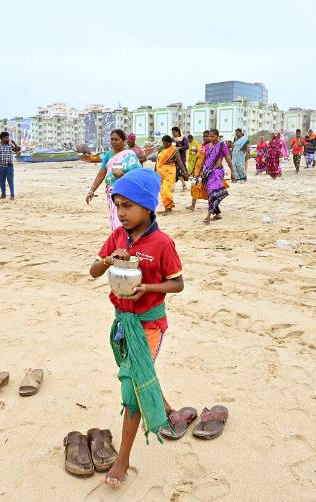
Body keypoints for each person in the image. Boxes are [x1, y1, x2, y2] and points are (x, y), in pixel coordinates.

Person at [89, 168, 184, 486]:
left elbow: (178, 284)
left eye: (128, 205)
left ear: (147, 206)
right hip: (122, 323)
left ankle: (123, 461)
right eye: (117, 205)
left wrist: (148, 289)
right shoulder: (117, 236)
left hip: (150, 324)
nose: (122, 212)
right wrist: (107, 260)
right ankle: (168, 408)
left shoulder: (161, 243)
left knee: (132, 389)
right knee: (138, 372)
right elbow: (92, 272)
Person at [86, 129, 143, 230]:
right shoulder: (108, 155)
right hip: (113, 193)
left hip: (127, 192)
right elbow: (101, 174)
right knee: (115, 218)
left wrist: (123, 176)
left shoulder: (130, 155)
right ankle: (119, 239)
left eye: (116, 139)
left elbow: (138, 174)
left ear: (123, 140)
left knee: (127, 217)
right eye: (111, 139)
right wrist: (92, 191)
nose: (113, 142)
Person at [201, 129, 233, 224]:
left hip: (217, 172)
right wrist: (199, 171)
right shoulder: (207, 146)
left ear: (217, 136)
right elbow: (204, 160)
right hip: (207, 173)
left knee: (213, 193)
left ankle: (208, 215)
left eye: (213, 136)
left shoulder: (222, 146)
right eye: (210, 136)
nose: (211, 138)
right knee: (211, 193)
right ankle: (217, 214)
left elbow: (228, 159)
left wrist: (232, 172)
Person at [155, 135, 187, 213]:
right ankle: (168, 207)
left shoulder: (174, 150)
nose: (165, 145)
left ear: (170, 143)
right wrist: (155, 172)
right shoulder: (162, 150)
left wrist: (185, 172)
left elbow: (179, 161)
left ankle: (168, 207)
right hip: (160, 173)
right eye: (163, 143)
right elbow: (157, 162)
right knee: (162, 191)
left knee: (166, 189)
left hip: (170, 172)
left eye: (166, 143)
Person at [0, 132, 20, 200]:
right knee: (1, 182)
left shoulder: (10, 145)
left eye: (8, 137)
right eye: (6, 137)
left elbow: (17, 151)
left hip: (9, 166)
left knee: (10, 181)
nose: (8, 138)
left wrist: (15, 144)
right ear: (2, 138)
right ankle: (3, 195)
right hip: (0, 167)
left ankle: (12, 195)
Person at [186, 131, 210, 211]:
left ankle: (212, 205)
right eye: (204, 136)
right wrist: (193, 169)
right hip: (197, 170)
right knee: (195, 187)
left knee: (208, 188)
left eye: (207, 136)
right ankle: (193, 206)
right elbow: (197, 157)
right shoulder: (201, 146)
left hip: (206, 170)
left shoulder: (211, 146)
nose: (205, 138)